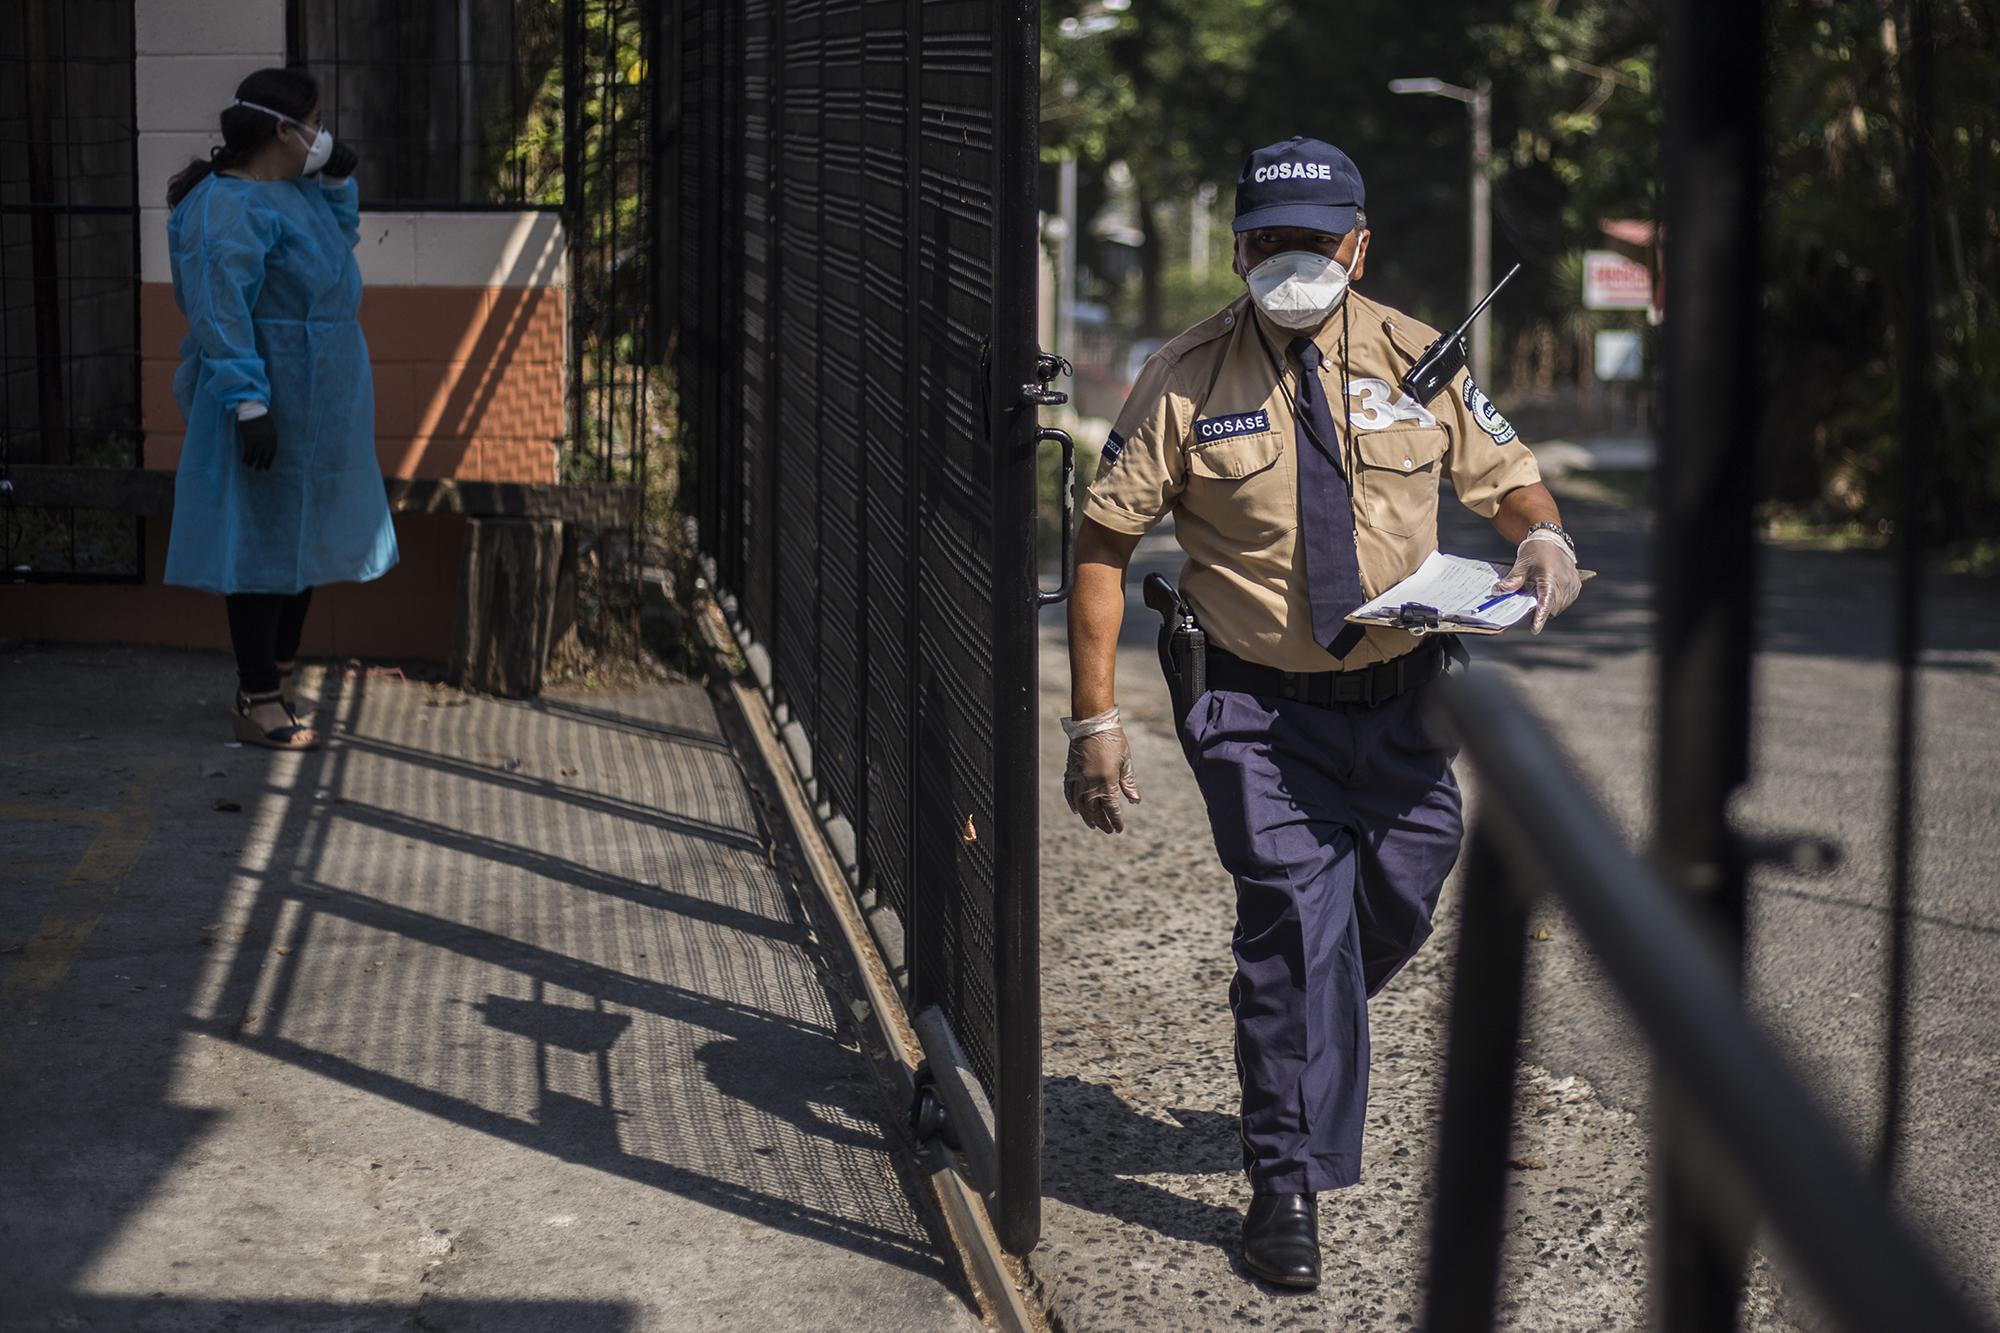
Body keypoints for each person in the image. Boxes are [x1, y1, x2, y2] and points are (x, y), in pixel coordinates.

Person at [1061, 137, 1581, 1290]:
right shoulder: (1185, 375)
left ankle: (1290, 1043)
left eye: (1313, 239)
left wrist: (1539, 532)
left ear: (1356, 242)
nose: (1289, 259)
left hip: (1400, 704)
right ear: (1240, 245)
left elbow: (1508, 475)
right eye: (1268, 240)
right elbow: (1103, 545)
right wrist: (1091, 720)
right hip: (1253, 709)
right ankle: (1282, 1182)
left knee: (1394, 897)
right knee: (1297, 927)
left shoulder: (1414, 355)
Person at [163, 68, 397, 751]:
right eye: (315, 123)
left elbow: (338, 241)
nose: (322, 135)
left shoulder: (293, 193)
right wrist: (247, 402)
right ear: (281, 130)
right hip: (266, 401)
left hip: (322, 404)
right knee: (262, 549)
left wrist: (333, 181)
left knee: (301, 544)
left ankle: (281, 683)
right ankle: (255, 695)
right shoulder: (222, 208)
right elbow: (219, 310)